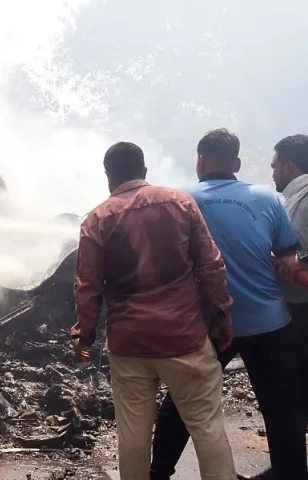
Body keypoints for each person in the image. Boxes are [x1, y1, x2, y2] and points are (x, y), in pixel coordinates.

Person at [73, 141, 236, 480]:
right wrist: (221, 317)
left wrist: (84, 334)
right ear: (144, 171)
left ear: (108, 176)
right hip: (184, 339)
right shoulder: (181, 203)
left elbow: (87, 286)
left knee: (133, 434)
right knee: (207, 427)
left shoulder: (96, 219)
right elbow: (211, 267)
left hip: (129, 344)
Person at [150, 129, 307, 480]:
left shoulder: (179, 200)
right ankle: (291, 473)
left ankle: (158, 472)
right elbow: (286, 253)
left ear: (199, 161)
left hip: (206, 322)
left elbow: (166, 261)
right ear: (237, 164)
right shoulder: (266, 199)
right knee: (282, 406)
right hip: (268, 320)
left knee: (182, 399)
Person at [271, 133, 308, 428]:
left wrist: (302, 260)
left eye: (274, 166)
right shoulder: (294, 198)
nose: (272, 173)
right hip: (294, 308)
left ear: (289, 166)